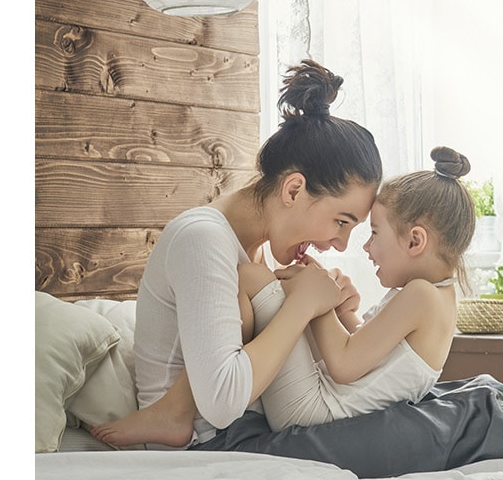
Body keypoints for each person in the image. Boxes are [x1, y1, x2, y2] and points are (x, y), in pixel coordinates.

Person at [87, 59, 383, 449]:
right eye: (341, 222)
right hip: (207, 442)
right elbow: (223, 401)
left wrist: (335, 314)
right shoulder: (202, 240)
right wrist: (302, 306)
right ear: (294, 190)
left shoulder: (255, 252)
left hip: (252, 432)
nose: (341, 245)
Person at [93, 147, 477, 445]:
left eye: (373, 233)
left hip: (312, 410)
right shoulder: (435, 297)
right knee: (263, 281)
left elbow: (344, 365)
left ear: (415, 240)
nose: (361, 247)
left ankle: (176, 408)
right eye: (344, 223)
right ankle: (177, 406)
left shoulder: (421, 296)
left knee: (250, 277)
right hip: (323, 402)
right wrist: (343, 314)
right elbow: (377, 362)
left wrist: (317, 301)